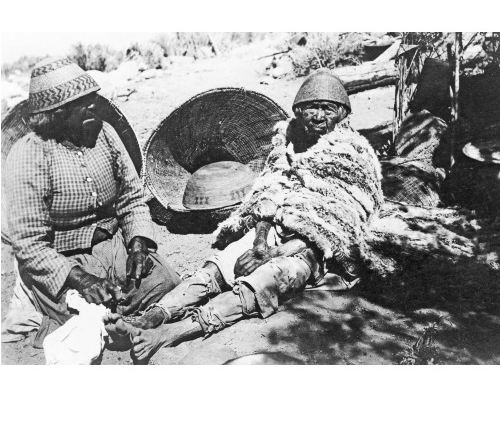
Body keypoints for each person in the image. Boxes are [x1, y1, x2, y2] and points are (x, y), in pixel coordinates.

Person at [104, 68, 383, 362]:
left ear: (342, 113)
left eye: (327, 108)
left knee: (262, 281)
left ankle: (172, 332)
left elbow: (336, 229)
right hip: (276, 231)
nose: (317, 116)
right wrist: (260, 242)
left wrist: (273, 253)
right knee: (218, 265)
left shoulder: (352, 155)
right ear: (298, 111)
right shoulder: (288, 142)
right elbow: (268, 194)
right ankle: (154, 316)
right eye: (310, 107)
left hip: (311, 250)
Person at [5, 57, 182, 341]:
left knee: (167, 282)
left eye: (93, 98)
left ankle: (119, 317)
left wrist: (137, 245)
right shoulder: (29, 155)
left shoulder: (105, 134)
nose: (93, 106)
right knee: (90, 314)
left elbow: (132, 198)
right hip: (63, 258)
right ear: (57, 113)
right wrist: (81, 278)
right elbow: (29, 245)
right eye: (83, 102)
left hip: (113, 244)